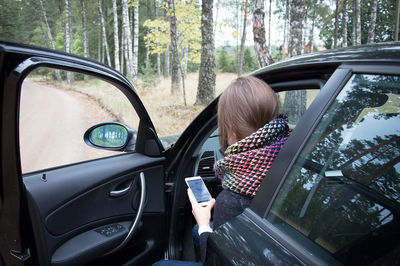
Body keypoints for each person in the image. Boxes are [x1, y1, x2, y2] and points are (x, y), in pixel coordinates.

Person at [188, 76, 291, 263]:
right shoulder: (292, 159)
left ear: (232, 134)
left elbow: (216, 261)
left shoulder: (232, 201)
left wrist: (203, 222)